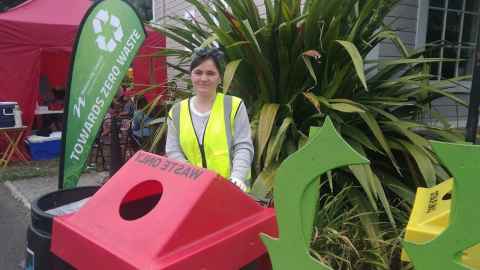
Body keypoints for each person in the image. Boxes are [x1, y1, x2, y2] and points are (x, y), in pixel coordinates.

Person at [166, 47, 254, 192]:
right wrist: (193, 178)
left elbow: (243, 146)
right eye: (198, 72)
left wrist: (237, 178)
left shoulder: (234, 106)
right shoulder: (176, 112)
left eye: (211, 73)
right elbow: (173, 150)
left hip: (231, 191)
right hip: (192, 191)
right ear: (191, 75)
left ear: (220, 77)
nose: (204, 78)